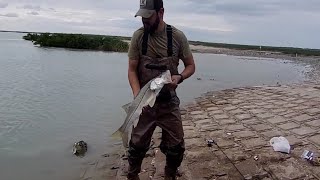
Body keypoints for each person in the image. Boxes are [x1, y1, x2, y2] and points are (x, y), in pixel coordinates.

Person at [127, 0, 195, 179]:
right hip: (144, 103)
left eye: (148, 17)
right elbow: (132, 70)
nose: (145, 21)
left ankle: (169, 175)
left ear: (161, 12)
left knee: (176, 148)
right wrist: (137, 97)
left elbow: (190, 66)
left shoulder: (177, 37)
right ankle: (132, 176)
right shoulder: (138, 37)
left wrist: (180, 77)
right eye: (142, 17)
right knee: (136, 148)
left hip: (169, 102)